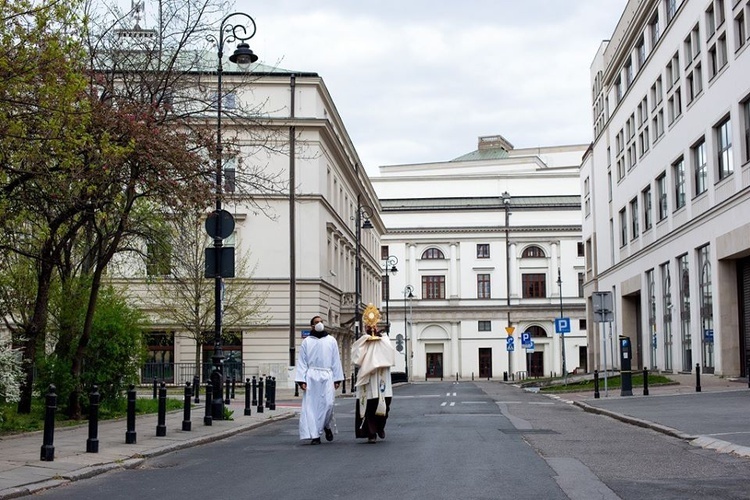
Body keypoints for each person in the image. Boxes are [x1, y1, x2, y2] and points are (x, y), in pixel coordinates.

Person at [295, 315, 344, 445]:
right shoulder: (307, 342)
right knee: (312, 407)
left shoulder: (331, 340)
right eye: (316, 322)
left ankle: (326, 425)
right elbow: (302, 362)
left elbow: (335, 360)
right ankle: (315, 435)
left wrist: (337, 378)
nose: (319, 324)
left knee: (328, 404)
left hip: (327, 375)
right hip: (311, 376)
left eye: (321, 322)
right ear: (312, 326)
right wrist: (302, 380)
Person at [352, 305, 396, 444]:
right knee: (370, 405)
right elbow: (357, 357)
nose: (371, 328)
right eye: (368, 326)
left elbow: (389, 353)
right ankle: (371, 433)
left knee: (385, 404)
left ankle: (380, 426)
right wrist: (366, 340)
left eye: (373, 325)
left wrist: (378, 337)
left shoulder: (384, 339)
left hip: (382, 377)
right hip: (369, 378)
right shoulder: (362, 341)